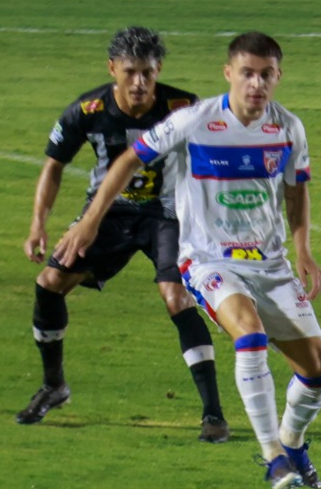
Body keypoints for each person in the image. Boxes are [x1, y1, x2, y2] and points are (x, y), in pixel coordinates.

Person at [54, 31, 321, 489]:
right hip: (207, 259)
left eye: (266, 74)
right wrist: (89, 221)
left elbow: (296, 188)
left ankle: (293, 442)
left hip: (271, 262)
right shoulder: (195, 120)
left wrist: (303, 249)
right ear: (229, 74)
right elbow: (128, 161)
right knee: (251, 335)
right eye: (247, 73)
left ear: (278, 77)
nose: (256, 83)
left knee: (318, 371)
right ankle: (272, 457)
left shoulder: (288, 128)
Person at [17, 26, 228, 442]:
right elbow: (54, 164)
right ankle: (54, 386)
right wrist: (39, 223)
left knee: (176, 296)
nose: (139, 82)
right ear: (112, 69)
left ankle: (214, 415)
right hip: (105, 213)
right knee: (50, 282)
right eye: (130, 72)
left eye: (147, 73)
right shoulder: (88, 109)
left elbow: (219, 157)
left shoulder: (183, 106)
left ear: (159, 70)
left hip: (168, 215)